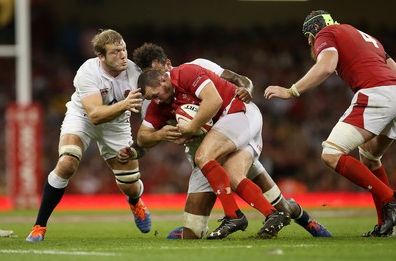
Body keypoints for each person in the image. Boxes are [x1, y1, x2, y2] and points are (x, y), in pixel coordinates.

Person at [119, 43, 331, 239]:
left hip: (235, 121)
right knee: (193, 232)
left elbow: (237, 82)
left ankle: (258, 215)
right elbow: (144, 140)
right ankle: (270, 213)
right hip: (208, 149)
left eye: (159, 69)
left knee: (227, 170)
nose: (158, 75)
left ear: (165, 67)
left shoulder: (193, 68)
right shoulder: (153, 99)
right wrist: (157, 137)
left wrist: (246, 90)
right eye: (148, 73)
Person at [264, 10, 396, 237]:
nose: (310, 44)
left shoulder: (327, 32)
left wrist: (291, 91)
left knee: (331, 153)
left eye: (308, 38)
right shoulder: (365, 37)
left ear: (313, 30)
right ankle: (386, 227)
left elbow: (326, 65)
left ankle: (390, 200)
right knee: (369, 157)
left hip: (376, 93)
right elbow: (393, 67)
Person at [135, 63, 293, 240]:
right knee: (194, 229)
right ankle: (274, 214)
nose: (155, 101)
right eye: (151, 98)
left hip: (238, 112)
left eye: (155, 95)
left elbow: (214, 100)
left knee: (203, 155)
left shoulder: (186, 72)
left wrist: (191, 128)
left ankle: (235, 216)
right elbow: (142, 138)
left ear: (163, 79)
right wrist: (159, 134)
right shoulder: (159, 104)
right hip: (220, 136)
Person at [25, 29, 151, 242]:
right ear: (100, 56)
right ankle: (39, 226)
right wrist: (125, 105)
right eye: (115, 52)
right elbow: (94, 115)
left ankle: (135, 201)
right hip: (83, 117)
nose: (123, 56)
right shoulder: (87, 72)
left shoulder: (136, 72)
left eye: (124, 49)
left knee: (130, 184)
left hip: (117, 125)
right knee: (66, 162)